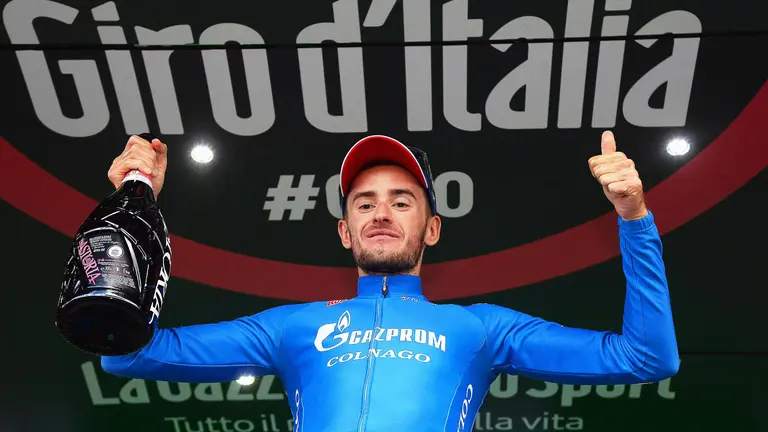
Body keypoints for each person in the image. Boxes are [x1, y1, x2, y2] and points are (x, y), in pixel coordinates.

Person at [102, 132, 679, 432]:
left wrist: (633, 217)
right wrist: (134, 199)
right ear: (345, 232)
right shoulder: (291, 327)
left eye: (401, 202)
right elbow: (126, 355)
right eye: (364, 203)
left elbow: (646, 357)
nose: (381, 213)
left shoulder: (480, 328)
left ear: (431, 230)